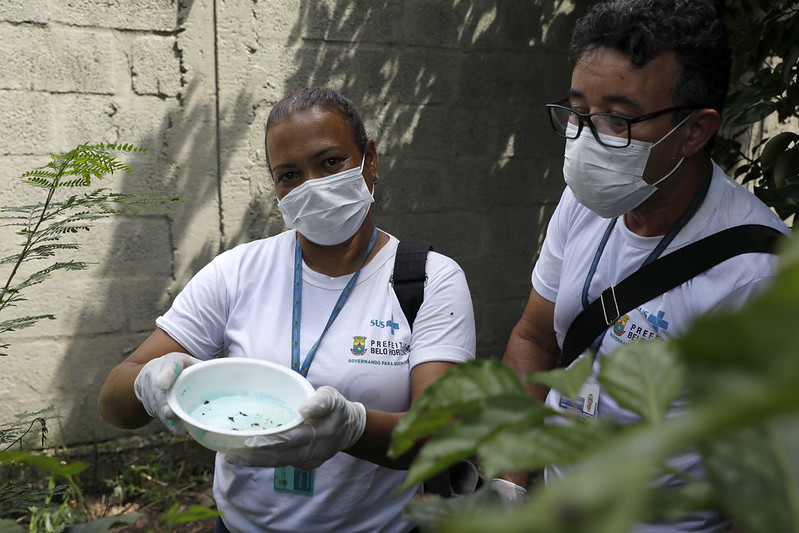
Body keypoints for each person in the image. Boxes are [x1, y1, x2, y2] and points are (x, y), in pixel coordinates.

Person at [98, 87, 476, 533]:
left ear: (369, 158)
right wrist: (147, 383)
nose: (311, 186)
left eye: (331, 162)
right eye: (289, 174)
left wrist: (351, 428)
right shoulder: (238, 272)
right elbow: (113, 403)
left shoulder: (430, 280)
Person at [498, 0, 788, 531]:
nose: (587, 138)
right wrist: (508, 481)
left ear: (696, 131)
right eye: (578, 110)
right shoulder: (583, 204)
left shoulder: (759, 276)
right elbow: (535, 338)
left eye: (618, 117)